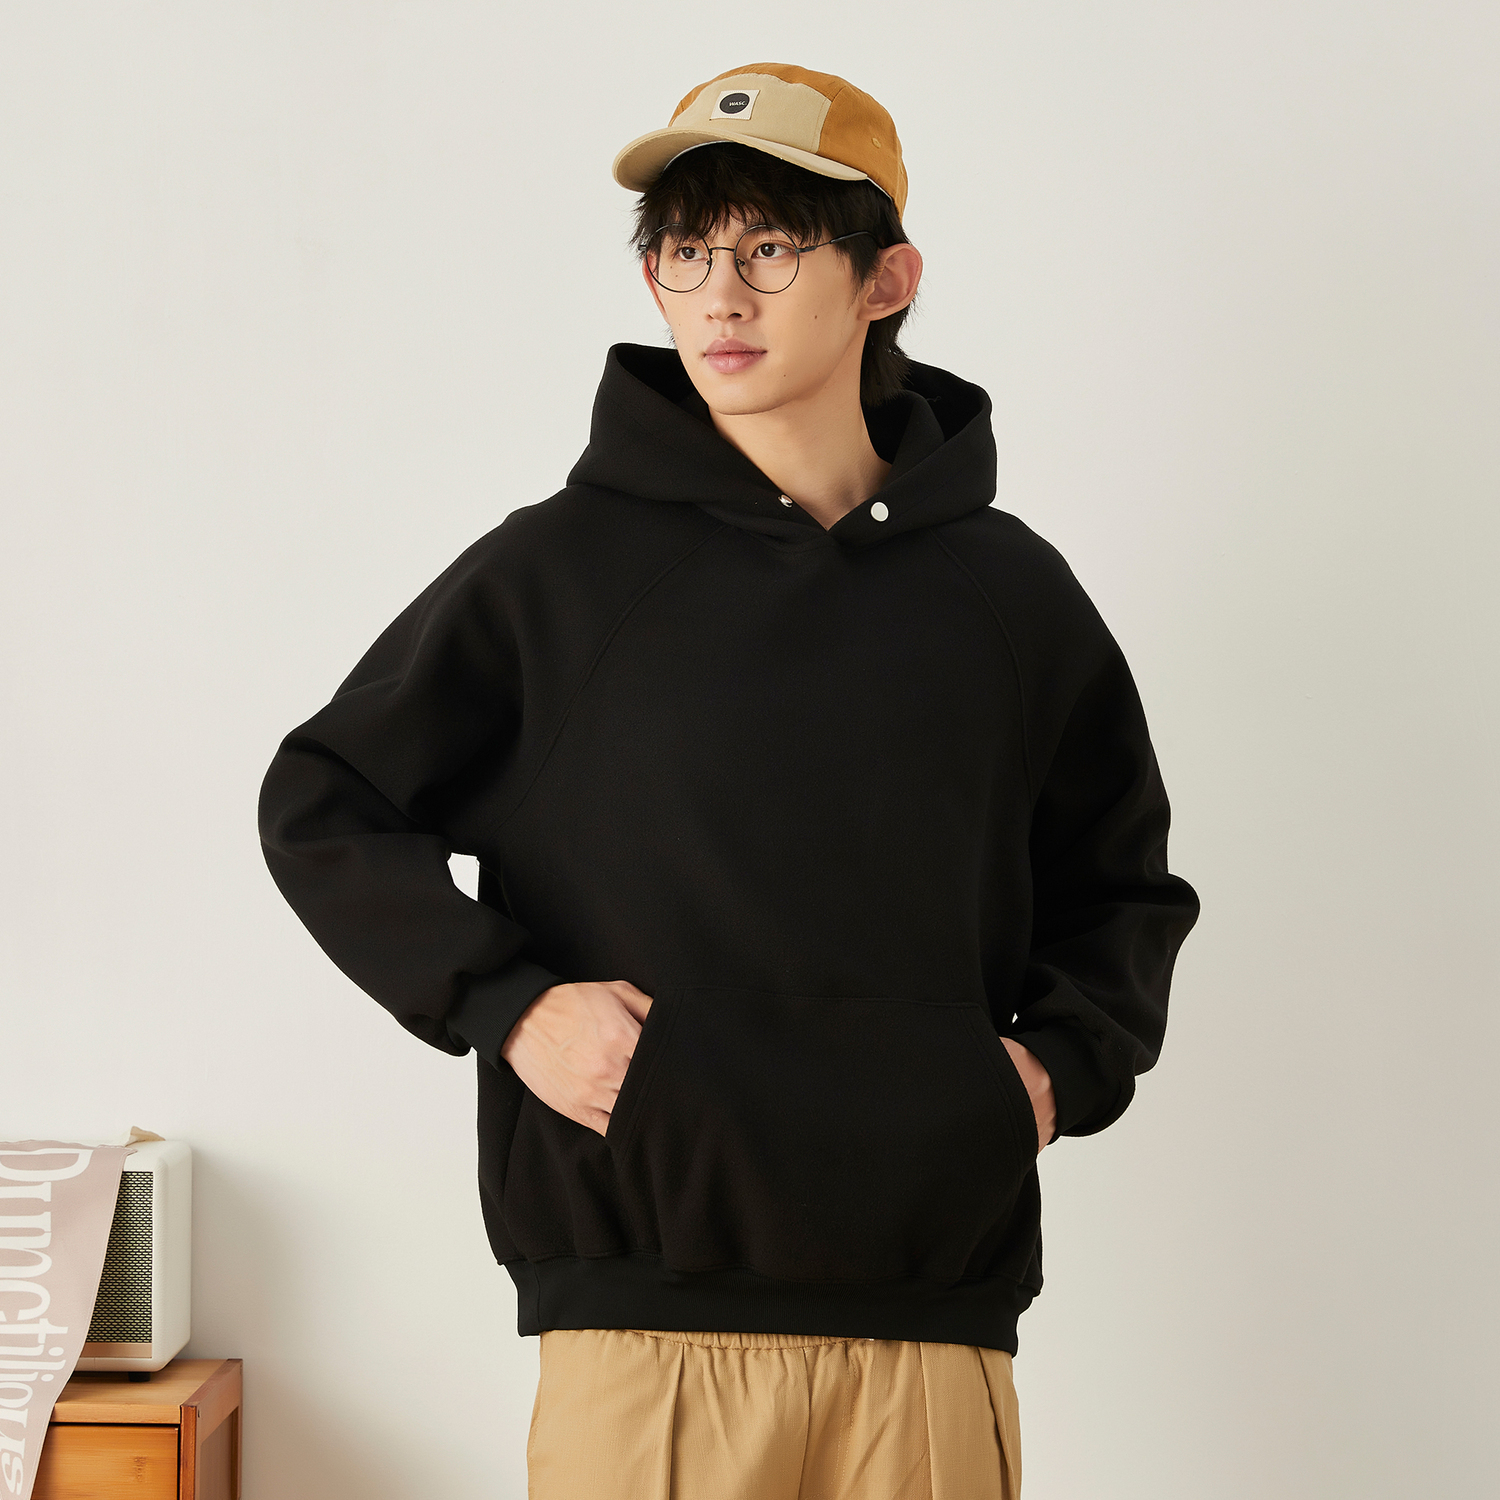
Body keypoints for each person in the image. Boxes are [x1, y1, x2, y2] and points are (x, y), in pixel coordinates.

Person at [258, 61, 1200, 1500]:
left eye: (770, 249)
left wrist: (1052, 1073)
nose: (720, 299)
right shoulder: (559, 575)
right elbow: (325, 799)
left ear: (887, 280)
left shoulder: (1010, 598)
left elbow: (1120, 889)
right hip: (640, 1334)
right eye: (685, 254)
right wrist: (508, 1006)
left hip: (931, 1329)